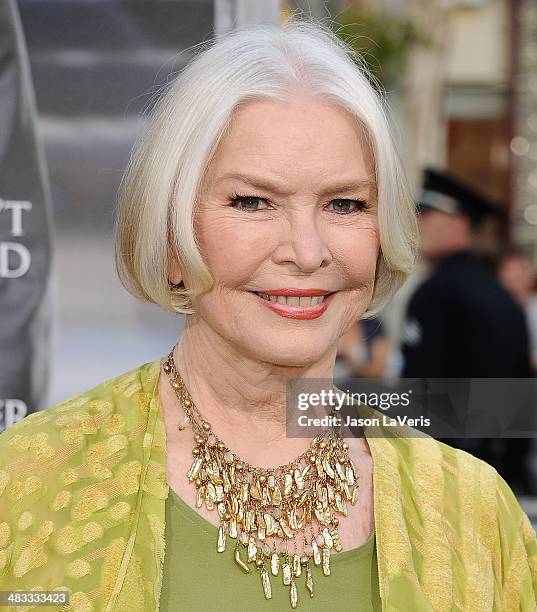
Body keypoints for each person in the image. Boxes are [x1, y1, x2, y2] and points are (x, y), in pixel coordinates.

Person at [0, 21, 535, 611]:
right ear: (173, 235)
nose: (307, 251)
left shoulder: (473, 513)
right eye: (252, 201)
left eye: (344, 204)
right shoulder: (26, 485)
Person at [401, 168, 535, 494]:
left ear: (458, 223)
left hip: (443, 473)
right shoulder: (501, 294)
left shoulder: (435, 293)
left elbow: (421, 396)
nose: (418, 223)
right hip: (497, 475)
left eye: (427, 213)